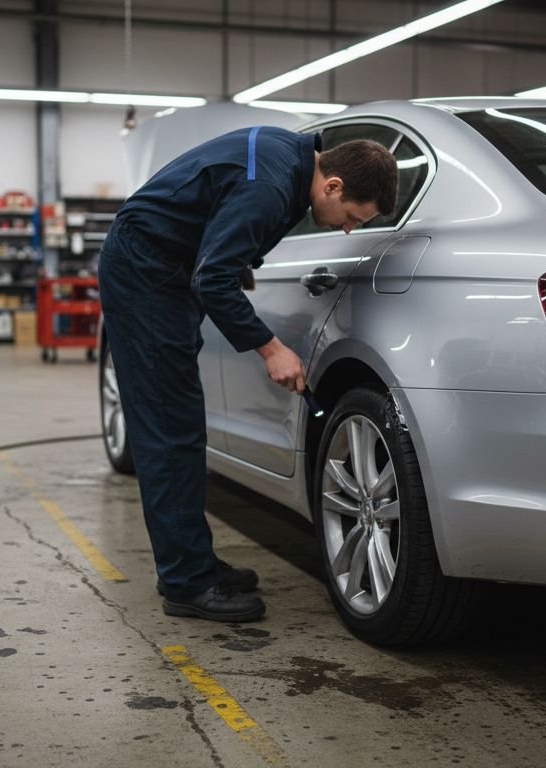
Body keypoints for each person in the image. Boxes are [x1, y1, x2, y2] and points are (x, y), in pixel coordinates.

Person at [98, 126, 398, 622]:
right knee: (170, 432)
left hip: (162, 267)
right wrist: (271, 348)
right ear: (334, 186)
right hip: (146, 273)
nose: (348, 230)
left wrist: (235, 256)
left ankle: (192, 562)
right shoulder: (273, 184)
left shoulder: (292, 160)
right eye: (351, 218)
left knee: (183, 428)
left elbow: (216, 209)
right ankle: (186, 585)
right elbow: (210, 276)